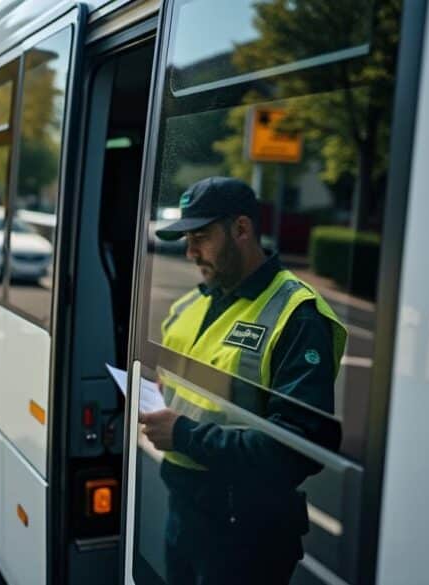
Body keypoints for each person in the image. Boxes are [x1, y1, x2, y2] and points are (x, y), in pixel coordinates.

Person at [139, 177, 347, 584]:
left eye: (201, 237)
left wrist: (182, 434)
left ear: (242, 229)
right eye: (187, 239)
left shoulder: (297, 314)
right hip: (184, 511)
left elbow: (296, 449)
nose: (190, 252)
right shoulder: (191, 304)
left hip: (247, 535)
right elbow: (199, 389)